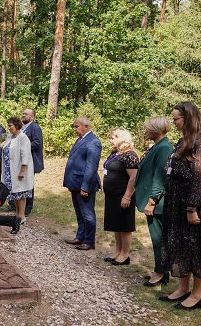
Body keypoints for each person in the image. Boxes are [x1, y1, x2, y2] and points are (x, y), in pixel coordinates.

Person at [159, 101, 201, 310]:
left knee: (196, 247)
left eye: (176, 119)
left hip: (192, 202)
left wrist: (192, 208)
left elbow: (200, 177)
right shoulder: (183, 140)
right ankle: (183, 288)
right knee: (180, 245)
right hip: (176, 201)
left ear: (188, 118)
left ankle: (198, 295)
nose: (174, 123)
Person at [134, 116, 173, 287]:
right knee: (156, 237)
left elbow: (161, 177)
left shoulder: (164, 148)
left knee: (159, 239)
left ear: (156, 130)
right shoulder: (157, 146)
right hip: (153, 202)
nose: (146, 131)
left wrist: (152, 201)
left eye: (148, 128)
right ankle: (160, 269)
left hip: (158, 204)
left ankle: (160, 272)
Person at [63, 116, 102, 250]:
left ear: (86, 126)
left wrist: (85, 186)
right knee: (79, 212)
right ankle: (80, 237)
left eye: (77, 126)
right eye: (74, 126)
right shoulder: (81, 139)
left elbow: (91, 167)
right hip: (75, 183)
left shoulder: (93, 142)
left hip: (85, 185)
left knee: (87, 214)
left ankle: (89, 241)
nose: (75, 129)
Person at [102, 128, 138, 265]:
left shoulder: (130, 155)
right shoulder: (115, 153)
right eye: (110, 138)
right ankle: (117, 252)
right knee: (116, 225)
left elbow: (133, 178)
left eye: (113, 138)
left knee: (124, 226)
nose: (111, 140)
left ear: (123, 138)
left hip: (122, 196)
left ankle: (125, 255)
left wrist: (127, 196)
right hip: (112, 196)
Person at [2, 117, 34, 230]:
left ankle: (22, 216)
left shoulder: (23, 138)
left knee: (21, 193)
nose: (9, 128)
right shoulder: (10, 137)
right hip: (9, 170)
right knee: (14, 193)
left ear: (16, 125)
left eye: (10, 126)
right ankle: (17, 213)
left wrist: (23, 170)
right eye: (8, 126)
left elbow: (26, 155)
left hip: (19, 170)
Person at [20, 108, 44, 217]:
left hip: (31, 161)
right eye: (23, 113)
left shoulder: (35, 127)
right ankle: (19, 206)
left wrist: (23, 146)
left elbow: (37, 143)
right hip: (21, 161)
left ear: (32, 117)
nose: (23, 115)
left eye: (26, 114)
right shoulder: (22, 128)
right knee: (22, 184)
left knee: (28, 184)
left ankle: (28, 208)